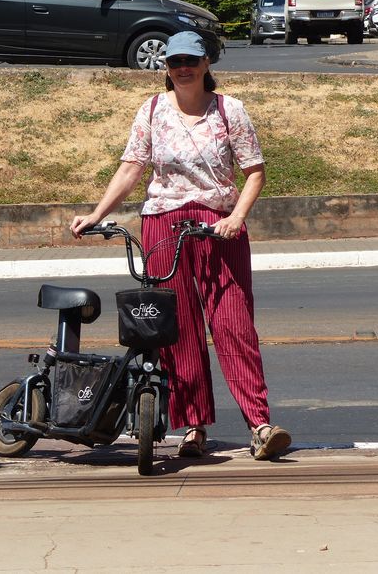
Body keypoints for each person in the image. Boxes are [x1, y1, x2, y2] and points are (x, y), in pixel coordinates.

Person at [69, 30, 291, 461]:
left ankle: (259, 424)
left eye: (191, 60)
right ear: (166, 69)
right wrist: (96, 214)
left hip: (217, 226)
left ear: (207, 62)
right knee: (178, 332)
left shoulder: (230, 110)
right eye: (174, 62)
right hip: (163, 225)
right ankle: (193, 426)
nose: (182, 68)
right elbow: (132, 168)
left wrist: (236, 218)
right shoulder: (152, 110)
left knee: (233, 325)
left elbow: (255, 172)